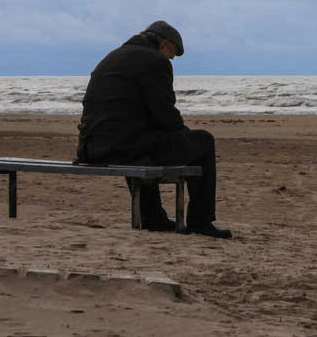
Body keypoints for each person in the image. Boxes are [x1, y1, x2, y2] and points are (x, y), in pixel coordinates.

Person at [75, 21, 231, 239]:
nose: (170, 60)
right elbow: (164, 112)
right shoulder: (155, 61)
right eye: (171, 55)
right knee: (203, 141)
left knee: (143, 140)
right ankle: (200, 221)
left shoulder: (112, 57)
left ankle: (153, 217)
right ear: (164, 44)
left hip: (91, 148)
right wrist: (182, 134)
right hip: (122, 147)